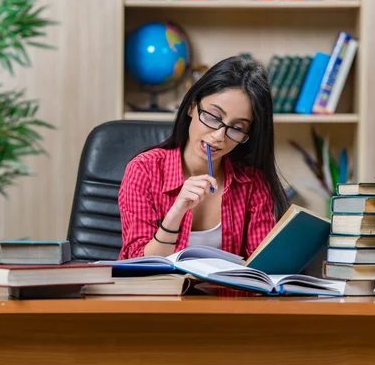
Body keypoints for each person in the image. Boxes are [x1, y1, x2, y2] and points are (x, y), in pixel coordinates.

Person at [118, 55, 289, 260]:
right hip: (157, 292)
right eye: (213, 117)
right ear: (192, 105)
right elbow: (137, 263)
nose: (218, 137)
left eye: (236, 128)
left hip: (223, 292)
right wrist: (175, 214)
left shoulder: (252, 182)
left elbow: (261, 267)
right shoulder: (144, 170)